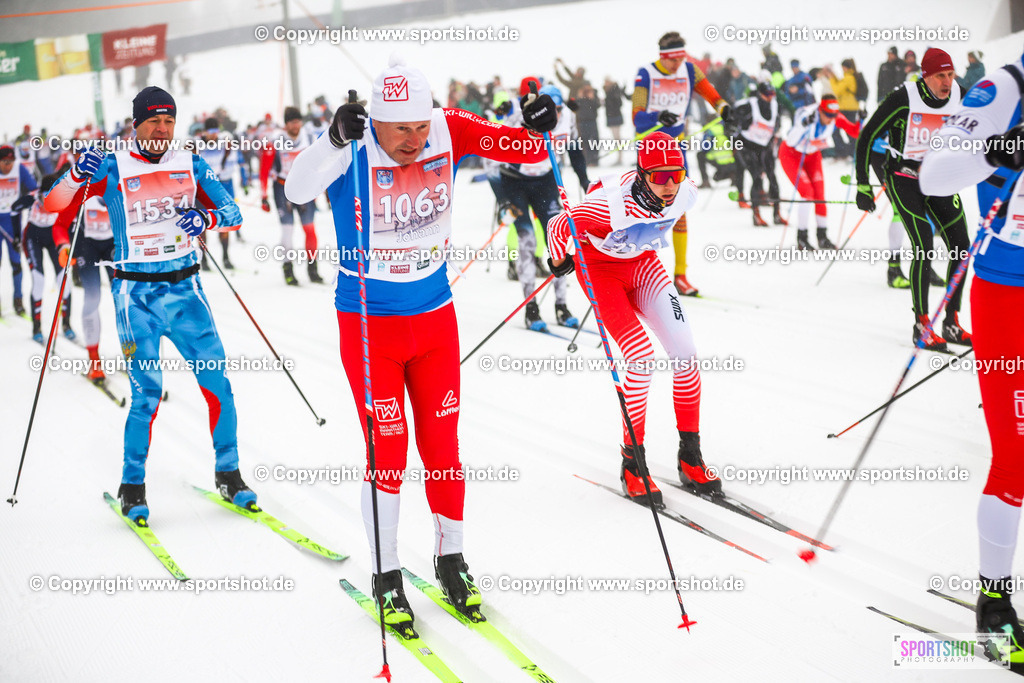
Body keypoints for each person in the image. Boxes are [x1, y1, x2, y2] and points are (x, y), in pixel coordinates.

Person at [283, 56, 559, 626]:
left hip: (434, 320)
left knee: (442, 448)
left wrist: (536, 124)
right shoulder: (351, 144)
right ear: (375, 121)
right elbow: (295, 189)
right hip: (368, 327)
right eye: (399, 129)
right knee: (388, 450)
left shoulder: (446, 127)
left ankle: (451, 559)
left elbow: (525, 152)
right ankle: (386, 573)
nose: (412, 139)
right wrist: (333, 139)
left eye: (419, 126)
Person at [43, 85, 255, 523]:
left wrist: (206, 217)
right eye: (154, 121)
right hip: (134, 296)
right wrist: (73, 175)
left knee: (219, 385)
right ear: (135, 124)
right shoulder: (110, 165)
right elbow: (52, 206)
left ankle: (229, 472)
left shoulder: (190, 161)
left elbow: (234, 212)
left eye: (169, 120)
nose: (162, 129)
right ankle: (132, 484)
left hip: (186, 291)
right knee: (147, 396)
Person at [919, 48, 1024, 670]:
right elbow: (933, 172)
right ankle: (994, 606)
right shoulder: (1006, 88)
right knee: (1015, 458)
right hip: (1009, 294)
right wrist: (996, 152)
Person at [546, 131, 719, 506]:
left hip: (642, 266)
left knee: (686, 354)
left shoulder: (685, 191)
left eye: (677, 173)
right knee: (640, 359)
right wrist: (560, 258)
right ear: (641, 175)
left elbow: (672, 208)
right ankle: (632, 461)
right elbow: (559, 225)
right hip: (601, 271)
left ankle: (690, 454)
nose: (670, 184)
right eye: (660, 176)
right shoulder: (608, 206)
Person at [855, 48, 970, 351]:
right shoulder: (904, 97)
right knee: (924, 245)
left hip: (938, 175)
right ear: (925, 76)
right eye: (940, 76)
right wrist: (863, 185)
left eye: (951, 74)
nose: (948, 81)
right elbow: (866, 136)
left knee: (962, 246)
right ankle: (922, 324)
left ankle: (952, 322)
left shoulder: (960, 93)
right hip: (903, 176)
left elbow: (991, 117)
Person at [632, 31, 730, 297]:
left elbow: (711, 94)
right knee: (646, 211)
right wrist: (656, 116)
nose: (677, 64)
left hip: (676, 150)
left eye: (680, 58)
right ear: (663, 56)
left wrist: (724, 109)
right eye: (672, 59)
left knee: (679, 210)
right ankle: (639, 271)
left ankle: (681, 275)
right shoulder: (647, 74)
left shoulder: (689, 70)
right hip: (651, 150)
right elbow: (637, 119)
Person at [500, 80, 588, 330]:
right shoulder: (522, 116)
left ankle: (561, 305)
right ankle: (531, 305)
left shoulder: (568, 117)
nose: (555, 115)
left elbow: (574, 150)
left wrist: (584, 180)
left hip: (546, 180)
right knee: (527, 241)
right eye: (552, 109)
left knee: (558, 241)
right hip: (515, 182)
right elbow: (497, 153)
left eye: (558, 109)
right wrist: (503, 199)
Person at [53, 179, 114, 382]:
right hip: (87, 247)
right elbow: (60, 225)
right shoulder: (82, 188)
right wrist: (63, 246)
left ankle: (134, 357)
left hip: (115, 246)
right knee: (92, 299)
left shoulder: (121, 180)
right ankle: (94, 362)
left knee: (126, 300)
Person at [780, 95, 859, 250]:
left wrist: (860, 120)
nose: (831, 119)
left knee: (819, 195)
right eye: (827, 115)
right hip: (791, 154)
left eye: (833, 116)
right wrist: (803, 125)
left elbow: (855, 132)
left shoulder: (835, 116)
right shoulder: (806, 115)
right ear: (820, 110)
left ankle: (822, 237)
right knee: (807, 193)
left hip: (812, 155)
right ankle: (802, 238)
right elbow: (790, 140)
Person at [260, 106, 322, 285]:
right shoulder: (275, 140)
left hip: (304, 188)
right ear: (286, 124)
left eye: (298, 121)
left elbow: (319, 163)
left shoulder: (309, 137)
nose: (296, 125)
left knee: (309, 228)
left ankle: (312, 269)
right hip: (282, 188)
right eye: (292, 122)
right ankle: (288, 269)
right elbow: (264, 170)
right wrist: (264, 196)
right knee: (288, 230)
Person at [22, 172, 75, 344]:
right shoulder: (31, 198)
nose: (46, 201)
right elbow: (13, 210)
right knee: (38, 280)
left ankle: (66, 324)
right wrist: (16, 236)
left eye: (50, 196)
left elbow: (72, 223)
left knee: (63, 279)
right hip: (33, 237)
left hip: (54, 238)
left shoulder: (63, 197)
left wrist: (70, 245)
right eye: (43, 196)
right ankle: (36, 328)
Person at [730, 80, 786, 226]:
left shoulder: (775, 105)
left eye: (772, 94)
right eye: (767, 94)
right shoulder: (749, 105)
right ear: (760, 94)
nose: (770, 97)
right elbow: (731, 117)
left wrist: (775, 134)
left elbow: (777, 122)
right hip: (747, 145)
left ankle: (777, 214)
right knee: (756, 177)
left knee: (773, 179)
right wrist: (734, 127)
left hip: (765, 146)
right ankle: (756, 215)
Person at [0, 144, 35, 317]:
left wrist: (23, 202)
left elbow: (34, 190)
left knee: (16, 262)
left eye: (11, 161)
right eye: (5, 162)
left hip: (12, 222)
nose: (8, 166)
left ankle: (18, 300)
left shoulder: (19, 168)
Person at [603, 77, 628, 165]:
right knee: (616, 138)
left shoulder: (614, 91)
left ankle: (620, 158)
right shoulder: (609, 91)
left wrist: (609, 103)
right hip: (611, 117)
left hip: (615, 117)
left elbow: (619, 103)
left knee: (617, 138)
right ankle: (619, 157)